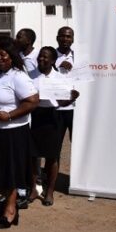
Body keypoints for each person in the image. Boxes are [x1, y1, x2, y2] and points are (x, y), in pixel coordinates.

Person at [0, 39, 39, 228]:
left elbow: (33, 101)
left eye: (4, 55)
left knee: (11, 172)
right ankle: (6, 203)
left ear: (12, 57)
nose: (0, 58)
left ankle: (11, 209)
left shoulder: (18, 76)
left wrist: (9, 115)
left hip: (12, 132)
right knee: (0, 171)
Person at [29, 46, 79, 206]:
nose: (41, 60)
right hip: (34, 117)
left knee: (52, 156)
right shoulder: (30, 76)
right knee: (32, 155)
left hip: (53, 118)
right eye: (39, 58)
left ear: (52, 60)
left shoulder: (60, 78)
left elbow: (63, 101)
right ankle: (34, 189)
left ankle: (49, 191)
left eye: (45, 58)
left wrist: (71, 99)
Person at [55, 26, 77, 139]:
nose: (65, 39)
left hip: (76, 109)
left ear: (72, 39)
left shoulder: (78, 57)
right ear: (57, 38)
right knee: (55, 145)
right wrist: (57, 64)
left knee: (78, 144)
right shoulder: (50, 56)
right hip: (56, 108)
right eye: (62, 36)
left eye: (68, 36)